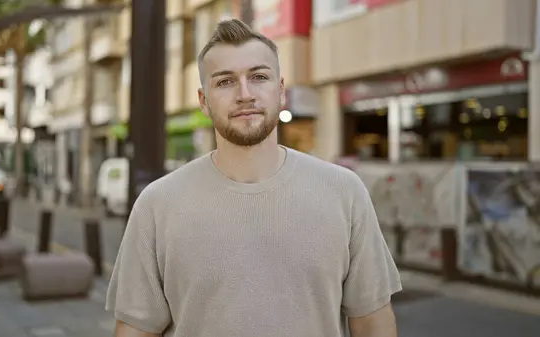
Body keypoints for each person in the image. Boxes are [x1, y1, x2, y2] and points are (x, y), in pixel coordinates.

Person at [107, 19, 402, 337]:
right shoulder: (157, 204)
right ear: (203, 100)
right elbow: (135, 331)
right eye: (224, 82)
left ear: (281, 91)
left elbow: (373, 323)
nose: (244, 94)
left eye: (259, 77)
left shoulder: (344, 192)